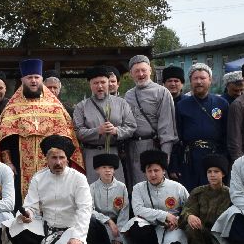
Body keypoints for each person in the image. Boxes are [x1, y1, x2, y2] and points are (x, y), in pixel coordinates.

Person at [7, 135, 93, 244]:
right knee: (13, 226)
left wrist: (77, 237)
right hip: (46, 229)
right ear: (46, 159)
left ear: (67, 159)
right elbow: (31, 206)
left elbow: (85, 209)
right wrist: (28, 214)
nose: (58, 162)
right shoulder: (39, 178)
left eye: (61, 158)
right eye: (54, 158)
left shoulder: (79, 178)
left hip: (70, 230)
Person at [0, 58, 82, 195]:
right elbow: (4, 138)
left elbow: (67, 136)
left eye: (36, 77)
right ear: (22, 80)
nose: (33, 81)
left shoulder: (55, 107)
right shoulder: (11, 107)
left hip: (52, 164)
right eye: (29, 77)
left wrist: (63, 162)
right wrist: (7, 162)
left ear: (41, 79)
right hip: (19, 164)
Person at [125, 149, 191, 244]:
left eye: (156, 170)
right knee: (135, 225)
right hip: (150, 228)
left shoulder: (178, 187)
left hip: (173, 228)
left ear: (164, 170)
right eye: (149, 171)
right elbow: (138, 210)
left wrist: (178, 221)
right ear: (145, 172)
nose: (153, 174)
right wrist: (165, 215)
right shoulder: (138, 188)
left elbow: (189, 208)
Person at [123, 55, 179, 189]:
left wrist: (164, 158)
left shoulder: (162, 92)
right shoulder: (128, 95)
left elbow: (167, 128)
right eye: (136, 71)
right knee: (137, 187)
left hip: (153, 146)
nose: (141, 74)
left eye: (143, 70)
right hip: (133, 148)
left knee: (156, 186)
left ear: (150, 70)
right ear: (131, 74)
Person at [74, 65, 137, 182]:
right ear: (90, 85)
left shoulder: (121, 103)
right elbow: (77, 132)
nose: (100, 86)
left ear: (108, 83)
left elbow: (131, 127)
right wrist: (97, 131)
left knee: (116, 188)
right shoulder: (81, 106)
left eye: (103, 82)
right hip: (91, 154)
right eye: (95, 83)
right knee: (92, 187)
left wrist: (116, 131)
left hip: (114, 152)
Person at [174, 64, 230, 189]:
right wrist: (175, 164)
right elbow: (176, 136)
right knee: (191, 193)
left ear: (210, 80)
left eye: (203, 78)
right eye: (195, 78)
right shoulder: (181, 105)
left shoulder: (222, 104)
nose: (199, 82)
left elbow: (227, 134)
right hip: (190, 159)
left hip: (215, 156)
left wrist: (225, 159)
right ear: (190, 81)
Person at [181, 154, 234, 244]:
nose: (212, 175)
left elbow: (234, 224)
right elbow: (186, 210)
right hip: (203, 234)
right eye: (209, 172)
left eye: (216, 171)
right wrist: (189, 216)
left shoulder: (231, 195)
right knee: (191, 226)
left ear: (223, 174)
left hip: (222, 237)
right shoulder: (198, 192)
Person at [86, 151, 134, 244]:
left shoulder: (121, 187)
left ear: (114, 170)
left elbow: (124, 212)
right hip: (99, 224)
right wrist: (108, 220)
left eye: (111, 167)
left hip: (116, 227)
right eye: (104, 167)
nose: (107, 170)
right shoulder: (92, 187)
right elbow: (89, 209)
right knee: (90, 221)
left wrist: (119, 237)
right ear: (97, 170)